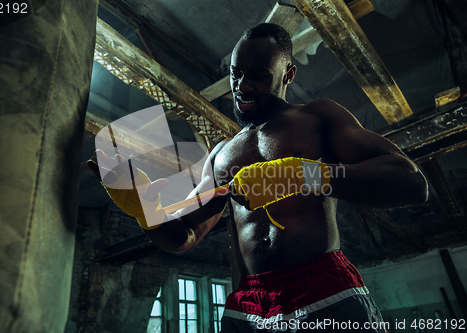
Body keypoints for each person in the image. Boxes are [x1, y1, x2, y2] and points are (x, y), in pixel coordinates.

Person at [88, 23, 428, 332]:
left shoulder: (317, 117)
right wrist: (146, 211)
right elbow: (185, 236)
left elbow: (411, 182)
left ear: (288, 74)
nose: (242, 85)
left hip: (324, 289)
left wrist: (301, 175)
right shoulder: (221, 153)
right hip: (248, 307)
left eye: (258, 75)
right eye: (236, 73)